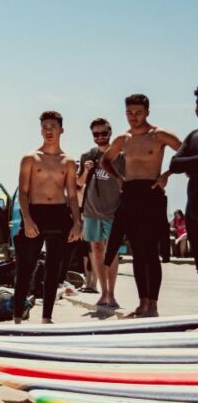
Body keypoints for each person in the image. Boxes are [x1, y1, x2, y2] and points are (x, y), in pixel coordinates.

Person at [102, 94, 181, 318]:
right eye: (129, 112)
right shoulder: (123, 139)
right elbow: (105, 160)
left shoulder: (159, 135)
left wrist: (167, 174)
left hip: (152, 193)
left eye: (138, 112)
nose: (133, 117)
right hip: (130, 194)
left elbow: (187, 153)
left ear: (147, 112)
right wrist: (118, 178)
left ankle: (153, 305)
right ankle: (142, 303)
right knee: (137, 252)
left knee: (150, 252)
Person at [13, 111, 81, 324]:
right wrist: (27, 219)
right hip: (36, 213)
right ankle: (17, 318)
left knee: (54, 270)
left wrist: (77, 222)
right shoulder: (30, 158)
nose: (49, 131)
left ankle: (47, 318)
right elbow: (23, 192)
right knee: (26, 267)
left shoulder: (68, 162)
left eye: (53, 127)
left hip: (60, 214)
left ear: (61, 130)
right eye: (45, 127)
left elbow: (71, 194)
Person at [77, 118, 124, 308]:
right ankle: (102, 291)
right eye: (96, 134)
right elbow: (79, 184)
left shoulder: (121, 157)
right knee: (96, 250)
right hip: (91, 210)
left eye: (103, 133)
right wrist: (86, 172)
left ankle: (111, 294)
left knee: (111, 253)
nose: (100, 137)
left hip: (113, 211)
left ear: (110, 133)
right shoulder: (87, 156)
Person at [169, 87, 198, 272]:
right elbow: (174, 164)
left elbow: (182, 163)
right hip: (194, 213)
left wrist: (190, 165)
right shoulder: (193, 136)